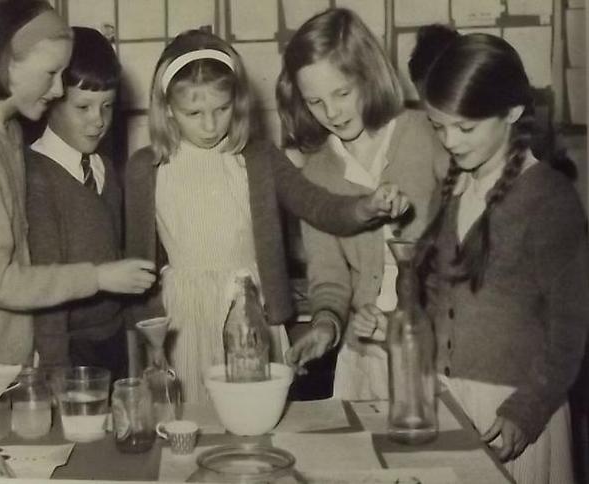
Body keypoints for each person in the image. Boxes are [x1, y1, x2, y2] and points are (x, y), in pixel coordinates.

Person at [125, 29, 410, 403]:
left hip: (252, 312)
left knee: (256, 416)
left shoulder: (259, 158)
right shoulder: (145, 168)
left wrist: (365, 207)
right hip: (184, 319)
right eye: (193, 113)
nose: (210, 125)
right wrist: (146, 341)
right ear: (166, 109)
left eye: (222, 109)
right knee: (191, 417)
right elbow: (137, 270)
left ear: (239, 102)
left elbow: (317, 205)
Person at [0, 0, 155, 366]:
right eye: (51, 73)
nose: (59, 89)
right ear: (8, 63)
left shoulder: (5, 133)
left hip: (1, 354)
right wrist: (97, 277)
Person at [413, 27, 589, 484]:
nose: (450, 141)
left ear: (511, 111)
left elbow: (569, 329)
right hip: (451, 399)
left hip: (514, 411)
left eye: (465, 128)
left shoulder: (549, 198)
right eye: (439, 126)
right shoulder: (453, 188)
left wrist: (526, 410)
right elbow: (438, 295)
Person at [278, 8, 448, 399]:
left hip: (435, 345)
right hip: (365, 354)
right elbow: (330, 277)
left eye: (342, 93)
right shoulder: (317, 173)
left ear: (369, 76)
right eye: (315, 101)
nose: (331, 113)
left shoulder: (427, 134)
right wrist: (325, 325)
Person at [25, 27, 130, 380]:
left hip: (112, 339)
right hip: (67, 346)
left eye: (107, 106)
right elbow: (45, 286)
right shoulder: (36, 176)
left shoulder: (105, 168)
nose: (98, 120)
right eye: (83, 107)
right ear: (51, 99)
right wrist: (55, 366)